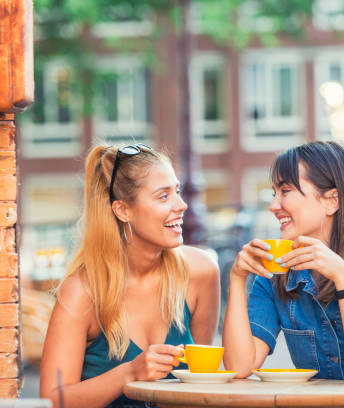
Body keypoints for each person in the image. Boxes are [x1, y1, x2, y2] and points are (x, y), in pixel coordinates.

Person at [222, 141, 344, 408]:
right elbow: (239, 367)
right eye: (274, 193)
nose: (273, 205)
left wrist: (343, 279)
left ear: (332, 201)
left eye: (286, 191)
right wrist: (237, 278)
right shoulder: (275, 278)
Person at [40, 145, 220, 408]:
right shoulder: (81, 291)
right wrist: (129, 373)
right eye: (163, 196)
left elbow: (197, 385)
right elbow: (53, 400)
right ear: (122, 210)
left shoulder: (202, 271)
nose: (181, 205)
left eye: (177, 191)